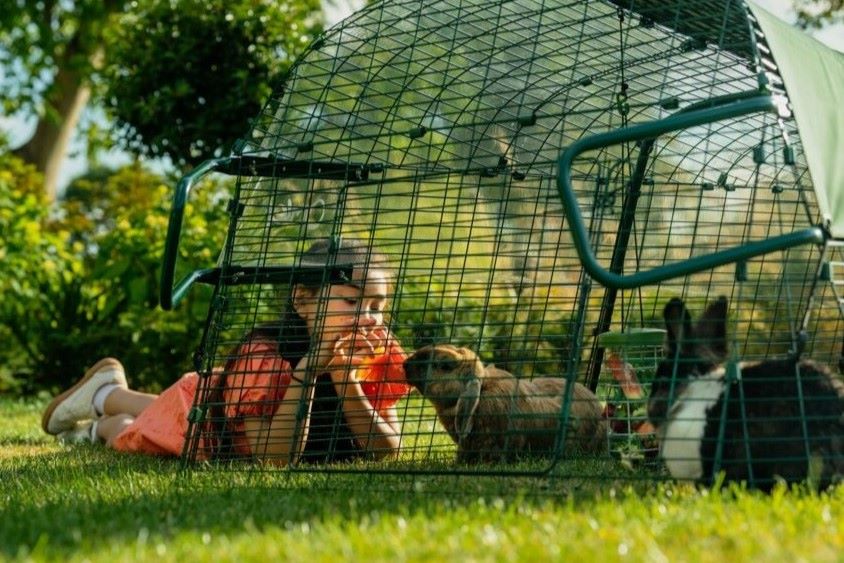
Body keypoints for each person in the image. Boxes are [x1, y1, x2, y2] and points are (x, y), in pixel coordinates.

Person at [41, 238, 412, 465]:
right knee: (132, 434)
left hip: (214, 395)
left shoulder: (375, 354)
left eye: (378, 307)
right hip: (202, 422)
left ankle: (107, 392)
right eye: (352, 302)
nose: (368, 319)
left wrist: (346, 380)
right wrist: (307, 372)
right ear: (302, 300)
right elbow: (274, 457)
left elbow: (386, 449)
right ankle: (102, 414)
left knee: (155, 410)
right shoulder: (264, 355)